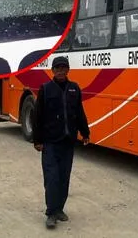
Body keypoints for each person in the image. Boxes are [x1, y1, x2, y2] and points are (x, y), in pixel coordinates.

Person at [32, 56, 90, 229]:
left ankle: (59, 209)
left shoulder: (74, 88)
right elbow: (37, 116)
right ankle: (50, 213)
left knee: (64, 177)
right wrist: (38, 140)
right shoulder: (46, 89)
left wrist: (85, 132)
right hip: (50, 142)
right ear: (53, 71)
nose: (61, 71)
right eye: (57, 68)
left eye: (64, 68)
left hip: (67, 142)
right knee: (52, 178)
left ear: (68, 70)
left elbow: (79, 112)